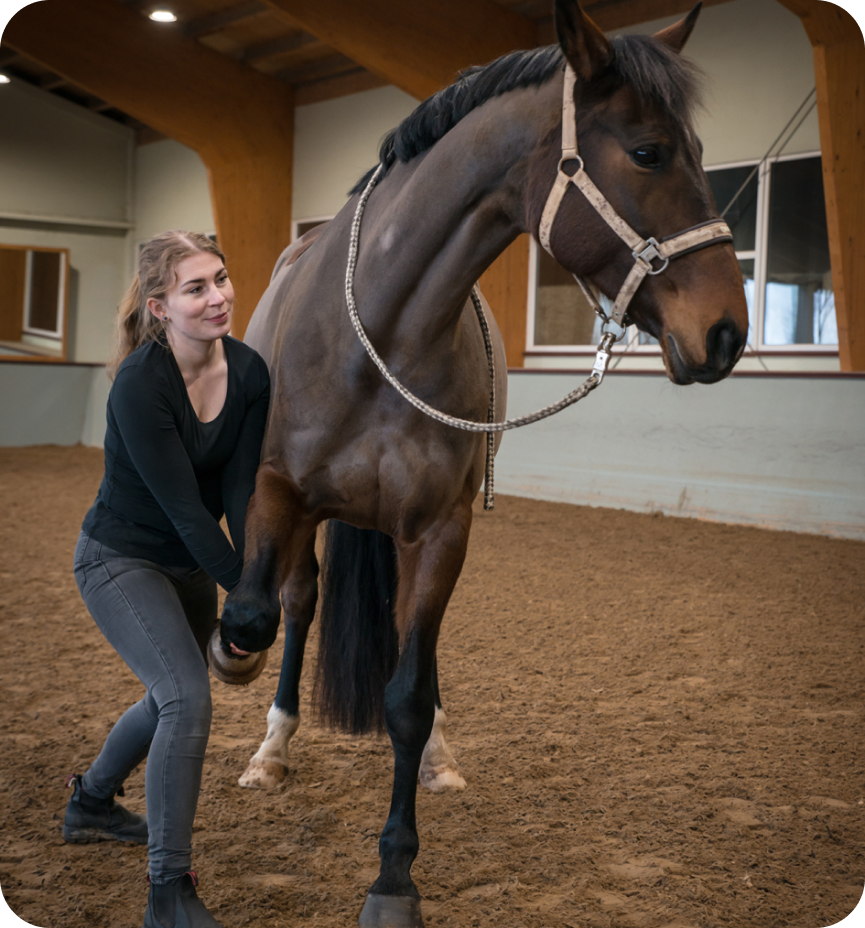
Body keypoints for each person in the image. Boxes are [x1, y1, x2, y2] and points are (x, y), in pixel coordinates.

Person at [65, 230, 270, 928]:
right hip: (119, 558)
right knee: (185, 696)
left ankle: (91, 801)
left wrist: (259, 579)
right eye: (196, 288)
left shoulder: (248, 372)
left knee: (169, 694)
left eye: (220, 278)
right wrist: (246, 591)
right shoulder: (139, 383)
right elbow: (184, 510)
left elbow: (240, 487)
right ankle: (167, 894)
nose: (219, 297)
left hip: (189, 568)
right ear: (160, 306)